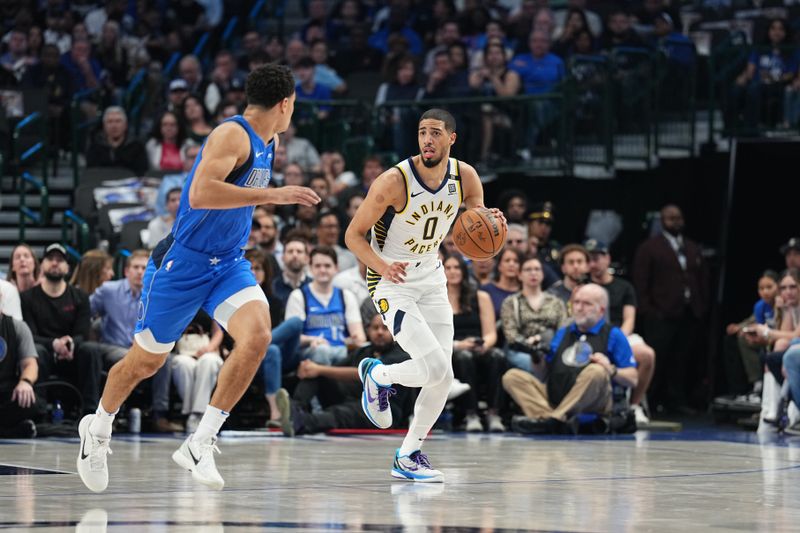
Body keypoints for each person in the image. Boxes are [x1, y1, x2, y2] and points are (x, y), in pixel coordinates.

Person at [76, 64, 321, 493]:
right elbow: (201, 193)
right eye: (294, 103)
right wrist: (273, 195)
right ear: (285, 103)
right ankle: (97, 428)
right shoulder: (232, 135)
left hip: (227, 262)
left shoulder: (270, 140)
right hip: (181, 263)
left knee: (259, 335)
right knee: (146, 362)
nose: (293, 110)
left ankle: (200, 442)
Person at [344, 108, 506, 482]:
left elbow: (475, 220)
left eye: (435, 133)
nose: (427, 140)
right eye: (421, 133)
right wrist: (382, 267)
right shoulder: (393, 181)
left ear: (452, 138)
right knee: (433, 367)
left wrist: (493, 222)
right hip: (391, 281)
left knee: (443, 376)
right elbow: (353, 235)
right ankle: (379, 375)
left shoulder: (465, 176)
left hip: (432, 276)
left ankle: (408, 455)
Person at [503, 284, 638, 434]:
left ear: (601, 310)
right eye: (577, 302)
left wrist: (611, 369)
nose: (579, 308)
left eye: (587, 304)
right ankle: (556, 420)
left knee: (597, 371)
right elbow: (543, 375)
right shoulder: (563, 332)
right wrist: (536, 356)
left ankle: (552, 420)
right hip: (557, 396)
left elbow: (633, 379)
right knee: (512, 377)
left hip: (593, 403)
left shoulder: (613, 334)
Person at [585, 239, 655, 425]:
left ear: (607, 258)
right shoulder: (584, 287)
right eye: (589, 259)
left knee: (647, 355)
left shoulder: (624, 287)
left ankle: (634, 405)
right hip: (591, 335)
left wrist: (617, 341)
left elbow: (629, 319)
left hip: (620, 334)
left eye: (597, 258)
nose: (593, 264)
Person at [444, 254, 506, 433]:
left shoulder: (480, 296)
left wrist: (483, 345)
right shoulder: (435, 299)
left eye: (457, 267)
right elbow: (434, 335)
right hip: (452, 347)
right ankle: (470, 413)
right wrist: (458, 344)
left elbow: (490, 333)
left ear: (464, 271)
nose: (453, 272)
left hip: (477, 345)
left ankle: (494, 413)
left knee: (497, 356)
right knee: (464, 358)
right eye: (448, 268)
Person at [284, 246, 366, 366]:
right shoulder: (298, 296)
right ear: (310, 269)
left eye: (327, 266)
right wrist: (312, 340)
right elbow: (291, 338)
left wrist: (353, 340)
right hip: (312, 352)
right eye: (317, 266)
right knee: (322, 351)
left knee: (367, 351)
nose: (322, 270)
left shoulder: (346, 296)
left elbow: (360, 337)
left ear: (336, 268)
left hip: (341, 350)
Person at [0, 284, 42, 438]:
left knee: (31, 403)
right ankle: (10, 431)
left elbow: (30, 363)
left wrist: (25, 382)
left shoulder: (17, 327)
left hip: (6, 392)